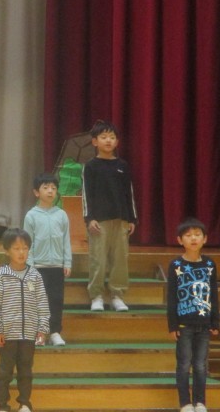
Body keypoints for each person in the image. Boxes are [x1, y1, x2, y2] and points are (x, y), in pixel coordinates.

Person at [0, 228, 50, 412]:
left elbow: (42, 304)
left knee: (26, 371)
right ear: (7, 251)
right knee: (5, 372)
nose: (21, 252)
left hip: (29, 335)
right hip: (7, 335)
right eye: (16, 248)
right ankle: (2, 405)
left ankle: (24, 403)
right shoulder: (1, 276)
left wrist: (42, 329)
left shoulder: (35, 275)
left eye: (25, 248)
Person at [81, 119, 137, 312]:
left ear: (117, 142)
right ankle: (96, 296)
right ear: (95, 141)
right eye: (103, 137)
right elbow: (86, 195)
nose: (108, 140)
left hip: (121, 219)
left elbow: (129, 193)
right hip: (99, 221)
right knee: (98, 258)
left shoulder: (123, 165)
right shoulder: (90, 166)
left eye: (112, 137)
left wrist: (131, 219)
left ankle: (117, 295)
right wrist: (90, 218)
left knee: (120, 259)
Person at [167, 218, 220, 412]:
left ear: (205, 239)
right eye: (188, 235)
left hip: (204, 324)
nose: (193, 238)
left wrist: (215, 321)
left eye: (197, 235)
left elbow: (213, 294)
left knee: (200, 365)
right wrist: (172, 325)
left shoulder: (209, 264)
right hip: (184, 325)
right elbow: (171, 297)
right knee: (183, 365)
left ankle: (200, 402)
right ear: (180, 240)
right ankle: (185, 403)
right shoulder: (175, 265)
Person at [23, 173, 72, 346]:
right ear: (37, 192)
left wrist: (67, 262)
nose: (50, 191)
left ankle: (55, 332)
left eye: (53, 188)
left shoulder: (62, 215)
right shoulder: (31, 216)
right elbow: (27, 243)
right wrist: (29, 266)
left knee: (56, 300)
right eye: (45, 188)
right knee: (38, 301)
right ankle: (39, 333)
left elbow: (66, 240)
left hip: (57, 266)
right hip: (38, 267)